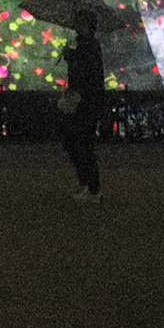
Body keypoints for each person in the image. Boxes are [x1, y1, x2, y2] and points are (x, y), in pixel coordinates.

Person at [59, 12, 105, 201]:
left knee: (82, 144)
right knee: (75, 143)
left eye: (81, 23)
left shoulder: (89, 47)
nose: (77, 27)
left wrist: (71, 56)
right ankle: (87, 183)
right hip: (83, 100)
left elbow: (86, 73)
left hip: (86, 102)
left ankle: (92, 187)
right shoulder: (85, 46)